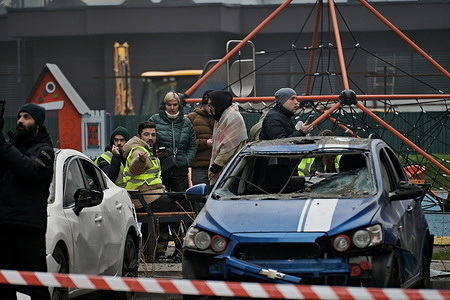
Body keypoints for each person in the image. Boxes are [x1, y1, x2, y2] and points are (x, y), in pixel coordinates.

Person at [0, 103, 54, 300]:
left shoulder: (45, 150)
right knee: (4, 283)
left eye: (27, 117)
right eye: (20, 116)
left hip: (28, 225)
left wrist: (3, 145)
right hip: (5, 222)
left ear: (37, 124)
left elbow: (29, 171)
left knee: (36, 284)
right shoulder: (11, 147)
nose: (21, 120)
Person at [122, 121, 192, 260]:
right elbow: (135, 168)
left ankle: (156, 251)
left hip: (149, 197)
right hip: (145, 199)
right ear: (139, 136)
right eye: (146, 134)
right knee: (186, 205)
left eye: (153, 135)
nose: (150, 138)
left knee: (175, 204)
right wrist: (141, 161)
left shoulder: (147, 150)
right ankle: (185, 250)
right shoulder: (138, 150)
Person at [148, 91, 197, 192]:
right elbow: (146, 142)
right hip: (160, 168)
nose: (172, 108)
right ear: (164, 105)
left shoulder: (186, 122)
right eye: (169, 105)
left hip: (180, 168)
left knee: (182, 200)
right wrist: (154, 153)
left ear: (179, 106)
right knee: (161, 199)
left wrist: (187, 160)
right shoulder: (154, 120)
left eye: (175, 105)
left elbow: (192, 145)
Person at [206, 90, 248, 186]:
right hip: (226, 169)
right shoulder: (221, 117)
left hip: (231, 171)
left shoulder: (232, 117)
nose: (209, 108)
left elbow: (228, 146)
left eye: (211, 104)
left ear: (218, 103)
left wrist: (216, 166)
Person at [186, 91, 215, 186]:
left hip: (217, 165)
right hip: (200, 166)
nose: (211, 108)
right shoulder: (191, 118)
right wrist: (205, 143)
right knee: (199, 197)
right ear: (203, 104)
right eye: (209, 105)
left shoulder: (221, 118)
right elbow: (186, 142)